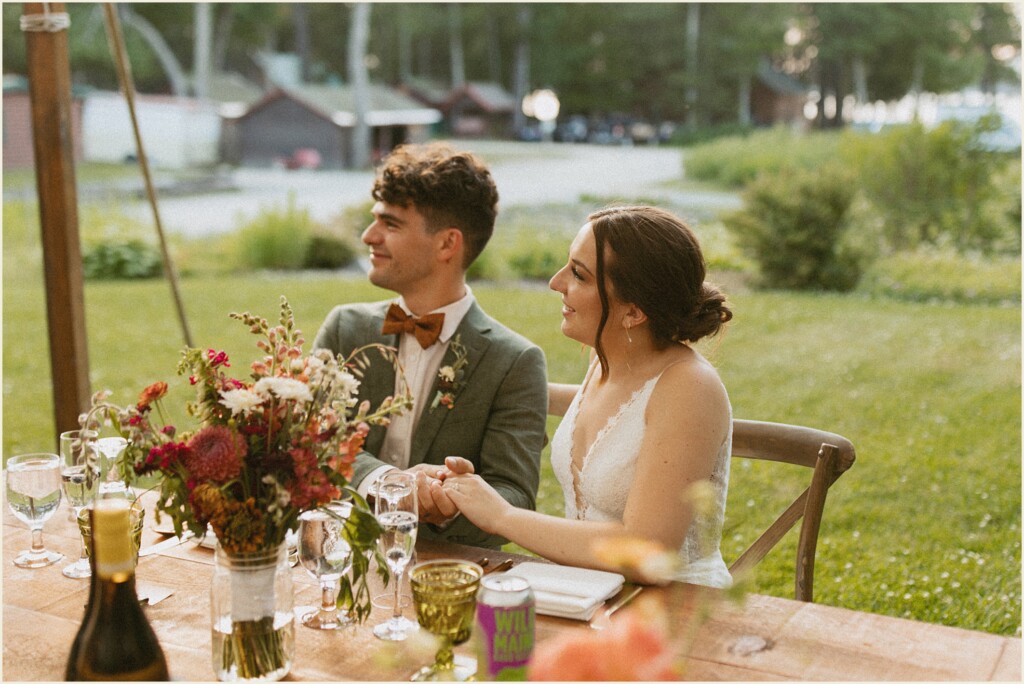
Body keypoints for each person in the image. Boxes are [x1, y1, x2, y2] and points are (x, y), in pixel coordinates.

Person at [443, 205, 734, 586]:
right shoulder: (608, 359)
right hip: (586, 594)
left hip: (674, 611)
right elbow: (606, 412)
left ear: (633, 312)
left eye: (578, 274)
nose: (555, 282)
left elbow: (648, 551)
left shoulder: (690, 388)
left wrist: (501, 516)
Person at [313, 142, 548, 549]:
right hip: (337, 555)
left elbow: (515, 496)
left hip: (440, 571)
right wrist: (393, 483)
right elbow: (310, 444)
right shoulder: (344, 329)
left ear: (446, 244)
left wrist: (451, 501)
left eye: (391, 224)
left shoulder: (515, 362)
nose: (370, 236)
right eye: (375, 220)